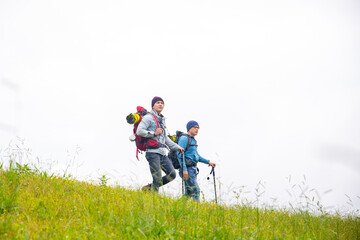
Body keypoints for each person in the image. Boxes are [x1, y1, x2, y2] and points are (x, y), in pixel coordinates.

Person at [137, 96, 184, 192]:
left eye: (162, 103)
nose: (160, 104)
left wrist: (177, 147)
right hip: (152, 153)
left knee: (172, 175)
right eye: (158, 103)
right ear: (153, 106)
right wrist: (153, 133)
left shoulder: (161, 119)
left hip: (162, 153)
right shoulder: (148, 118)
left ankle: (149, 188)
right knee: (157, 179)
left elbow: (165, 138)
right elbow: (139, 131)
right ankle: (154, 199)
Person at [177, 120, 216, 201]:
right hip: (187, 169)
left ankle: (179, 207)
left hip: (192, 169)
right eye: (195, 127)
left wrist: (208, 162)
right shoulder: (184, 138)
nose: (197, 129)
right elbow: (180, 154)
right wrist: (184, 170)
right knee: (196, 190)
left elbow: (197, 156)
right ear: (189, 128)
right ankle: (197, 210)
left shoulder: (193, 140)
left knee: (188, 192)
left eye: (198, 128)